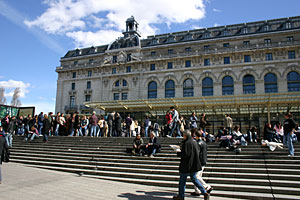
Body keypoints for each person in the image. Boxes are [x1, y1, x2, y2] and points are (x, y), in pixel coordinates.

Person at [173, 130, 209, 200]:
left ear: (185, 135)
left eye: (183, 135)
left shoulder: (187, 143)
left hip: (186, 165)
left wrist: (178, 152)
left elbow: (185, 154)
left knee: (182, 181)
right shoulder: (195, 141)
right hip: (194, 164)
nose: (183, 137)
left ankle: (181, 196)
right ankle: (204, 192)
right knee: (194, 179)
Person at [191, 130, 212, 196]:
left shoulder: (198, 143)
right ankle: (197, 191)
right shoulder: (204, 143)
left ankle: (207, 187)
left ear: (196, 135)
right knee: (197, 176)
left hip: (199, 161)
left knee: (196, 177)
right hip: (203, 160)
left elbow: (197, 153)